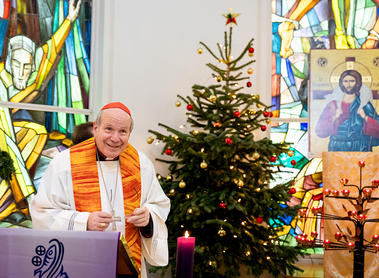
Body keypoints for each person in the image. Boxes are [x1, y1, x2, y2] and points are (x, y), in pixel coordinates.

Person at [30, 102, 170, 278]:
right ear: (96, 128)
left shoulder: (141, 165)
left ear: (129, 133)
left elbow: (159, 204)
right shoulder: (65, 163)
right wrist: (84, 222)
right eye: (109, 129)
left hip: (127, 267)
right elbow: (42, 213)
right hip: (79, 266)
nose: (115, 138)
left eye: (123, 131)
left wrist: (148, 217)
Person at [315, 70, 379, 151]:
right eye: (345, 81)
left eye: (352, 81)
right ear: (341, 83)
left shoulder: (364, 104)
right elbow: (319, 130)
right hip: (337, 147)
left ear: (357, 83)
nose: (348, 84)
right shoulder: (333, 105)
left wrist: (365, 117)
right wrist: (334, 117)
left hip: (360, 147)